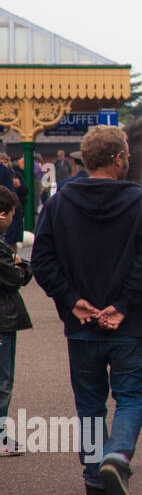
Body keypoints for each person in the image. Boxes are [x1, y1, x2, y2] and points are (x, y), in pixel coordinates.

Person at [31, 126, 142, 495]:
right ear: (120, 158)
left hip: (82, 327)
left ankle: (93, 479)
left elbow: (42, 261)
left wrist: (74, 302)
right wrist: (121, 306)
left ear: (84, 160)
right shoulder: (141, 202)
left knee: (89, 402)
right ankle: (117, 456)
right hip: (129, 324)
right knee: (131, 397)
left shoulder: (59, 202)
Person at [0, 186, 33, 456]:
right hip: (2, 319)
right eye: (11, 215)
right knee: (2, 381)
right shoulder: (1, 247)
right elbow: (17, 276)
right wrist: (20, 265)